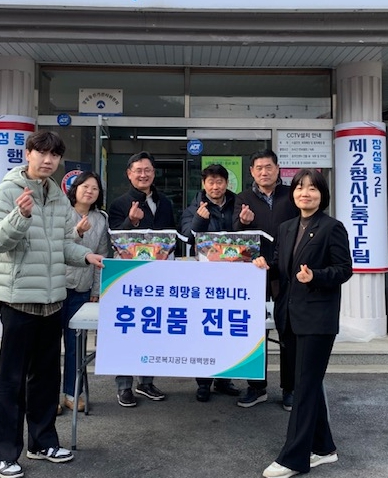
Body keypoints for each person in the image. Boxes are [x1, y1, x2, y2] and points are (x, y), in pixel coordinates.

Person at [0, 131, 105, 478]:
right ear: (28, 154)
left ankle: (42, 442)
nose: (48, 160)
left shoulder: (57, 196)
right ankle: (5, 453)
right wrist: (19, 216)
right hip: (19, 300)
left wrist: (86, 256)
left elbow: (64, 245)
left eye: (54, 155)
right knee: (12, 381)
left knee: (46, 379)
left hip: (53, 300)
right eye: (42, 153)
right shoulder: (8, 191)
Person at [254, 168, 352, 478]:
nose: (304, 193)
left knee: (305, 387)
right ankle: (324, 448)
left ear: (322, 195)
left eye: (312, 188)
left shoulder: (332, 228)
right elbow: (281, 268)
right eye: (299, 187)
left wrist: (316, 276)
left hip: (317, 320)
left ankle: (293, 459)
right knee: (305, 384)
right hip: (290, 317)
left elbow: (344, 269)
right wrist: (265, 266)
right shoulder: (286, 228)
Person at [232, 149, 299, 410]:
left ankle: (290, 388)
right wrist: (242, 222)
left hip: (286, 272)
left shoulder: (291, 195)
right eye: (258, 168)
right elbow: (235, 235)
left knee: (288, 330)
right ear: (251, 171)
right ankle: (256, 386)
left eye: (268, 167)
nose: (264, 172)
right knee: (254, 331)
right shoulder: (243, 198)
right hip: (255, 273)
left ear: (277, 169)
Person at [108, 151, 175, 407]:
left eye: (148, 170)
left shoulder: (165, 202)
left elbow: (171, 237)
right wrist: (131, 222)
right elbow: (114, 239)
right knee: (127, 330)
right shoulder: (119, 203)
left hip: (159, 277)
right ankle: (124, 386)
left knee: (152, 329)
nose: (143, 175)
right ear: (129, 174)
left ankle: (146, 382)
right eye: (138, 170)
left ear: (154, 173)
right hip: (129, 279)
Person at [180, 163, 240, 402]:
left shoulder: (238, 204)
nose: (215, 187)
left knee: (228, 330)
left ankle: (224, 380)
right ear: (204, 184)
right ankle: (203, 382)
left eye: (219, 182)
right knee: (205, 329)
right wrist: (198, 220)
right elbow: (186, 237)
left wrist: (246, 222)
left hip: (234, 279)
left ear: (227, 183)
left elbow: (245, 237)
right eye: (211, 182)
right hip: (204, 280)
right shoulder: (194, 207)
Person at [61, 171, 110, 413]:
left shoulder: (100, 219)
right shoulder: (61, 212)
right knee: (48, 346)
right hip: (56, 287)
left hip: (82, 289)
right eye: (85, 186)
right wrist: (77, 233)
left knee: (75, 346)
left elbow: (103, 255)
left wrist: (96, 290)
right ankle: (49, 395)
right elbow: (55, 245)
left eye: (94, 188)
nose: (89, 191)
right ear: (75, 188)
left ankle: (72, 393)